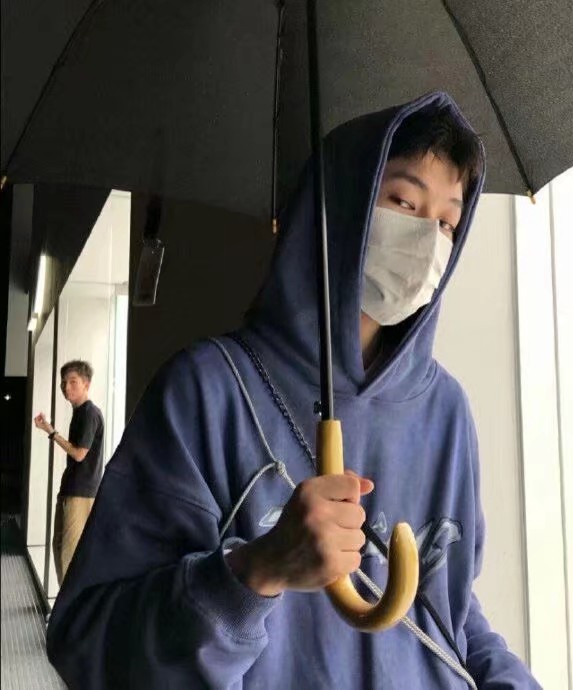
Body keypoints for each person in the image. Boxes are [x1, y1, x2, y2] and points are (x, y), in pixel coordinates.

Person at [46, 92, 541, 689]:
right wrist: (253, 571)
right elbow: (90, 645)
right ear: (337, 205)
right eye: (403, 202)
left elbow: (447, 613)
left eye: (447, 223)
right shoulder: (209, 392)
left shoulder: (447, 411)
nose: (427, 240)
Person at [34, 360, 104, 585]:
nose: (66, 387)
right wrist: (48, 429)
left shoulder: (90, 413)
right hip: (71, 489)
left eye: (73, 382)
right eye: (64, 382)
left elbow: (79, 454)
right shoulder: (80, 413)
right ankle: (66, 601)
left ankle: (70, 605)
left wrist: (51, 432)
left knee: (69, 554)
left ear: (86, 384)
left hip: (82, 492)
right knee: (59, 547)